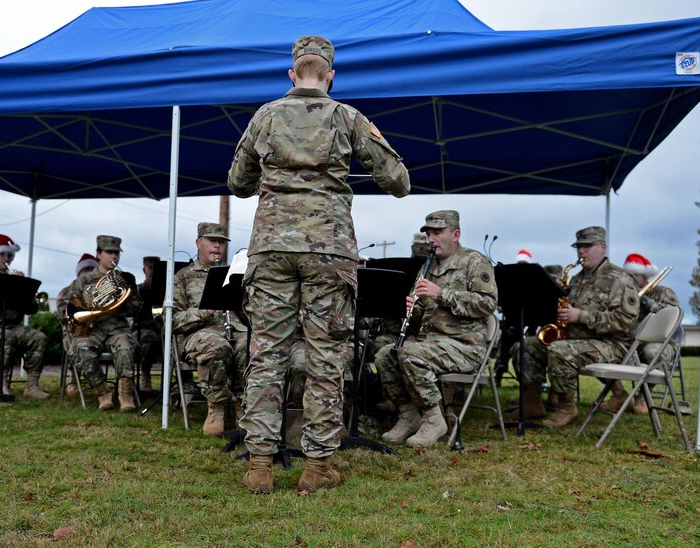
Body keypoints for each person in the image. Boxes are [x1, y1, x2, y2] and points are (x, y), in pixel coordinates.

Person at [228, 35, 410, 494]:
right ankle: (317, 466)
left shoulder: (264, 117)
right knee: (326, 357)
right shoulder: (348, 117)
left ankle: (260, 466)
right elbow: (398, 181)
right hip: (328, 249)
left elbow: (238, 183)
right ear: (330, 75)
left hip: (270, 247)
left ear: (292, 74)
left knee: (266, 355)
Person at [374, 211, 497, 447]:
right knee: (384, 356)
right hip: (431, 342)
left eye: (437, 233)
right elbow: (422, 311)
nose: (431, 239)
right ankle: (409, 415)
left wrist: (441, 294)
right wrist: (414, 305)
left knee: (409, 353)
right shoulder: (427, 267)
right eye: (429, 234)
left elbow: (488, 304)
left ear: (456, 234)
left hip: (465, 345)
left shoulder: (475, 262)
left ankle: (434, 419)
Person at [515, 226, 640, 427]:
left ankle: (566, 407)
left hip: (612, 345)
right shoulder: (578, 279)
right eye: (579, 247)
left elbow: (625, 320)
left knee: (559, 351)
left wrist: (580, 316)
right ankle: (532, 403)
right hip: (579, 341)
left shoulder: (621, 279)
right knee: (526, 346)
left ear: (602, 247)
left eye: (587, 246)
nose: (581, 251)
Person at [172, 223, 248, 436]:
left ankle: (245, 408)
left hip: (235, 328)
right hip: (200, 333)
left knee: (251, 345)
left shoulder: (234, 273)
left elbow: (247, 315)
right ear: (198, 243)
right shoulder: (183, 276)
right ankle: (216, 409)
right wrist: (204, 311)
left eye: (221, 242)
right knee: (217, 347)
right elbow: (173, 320)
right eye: (212, 241)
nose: (217, 246)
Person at [0, 234, 49, 399]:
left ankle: (32, 385)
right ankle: (1, 384)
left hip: (13, 325)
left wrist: (24, 289)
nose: (7, 258)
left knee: (39, 338)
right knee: (6, 337)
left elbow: (31, 310)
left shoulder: (16, 279)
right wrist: (0, 285)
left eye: (9, 255)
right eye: (2, 254)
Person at [67, 236, 142, 412]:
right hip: (93, 329)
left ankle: (125, 395)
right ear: (98, 254)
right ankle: (102, 393)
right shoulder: (84, 280)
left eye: (116, 253)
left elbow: (136, 310)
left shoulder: (123, 279)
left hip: (118, 329)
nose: (113, 257)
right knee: (82, 348)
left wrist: (131, 291)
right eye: (109, 252)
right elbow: (70, 306)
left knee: (126, 347)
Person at [599, 253, 681, 414]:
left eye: (635, 276)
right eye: (628, 276)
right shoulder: (623, 294)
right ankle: (619, 394)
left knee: (652, 353)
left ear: (644, 276)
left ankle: (644, 396)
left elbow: (675, 317)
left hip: (658, 341)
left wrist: (650, 304)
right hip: (630, 341)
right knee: (601, 351)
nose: (632, 280)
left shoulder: (663, 292)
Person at [56, 253, 98, 397]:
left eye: (91, 270)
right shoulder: (68, 290)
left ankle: (97, 382)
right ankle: (73, 380)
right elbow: (61, 314)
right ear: (79, 272)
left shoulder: (99, 287)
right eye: (84, 271)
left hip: (96, 331)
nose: (87, 274)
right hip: (74, 331)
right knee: (75, 341)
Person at [136, 256, 162, 396]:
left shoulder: (166, 291)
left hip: (163, 328)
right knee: (149, 339)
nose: (153, 271)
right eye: (150, 268)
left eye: (155, 268)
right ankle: (145, 375)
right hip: (144, 328)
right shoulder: (138, 290)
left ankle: (183, 382)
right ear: (144, 270)